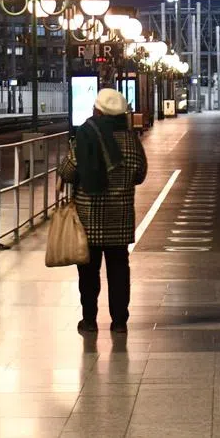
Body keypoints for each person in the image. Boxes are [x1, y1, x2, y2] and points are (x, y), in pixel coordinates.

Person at [58, 87, 147, 334]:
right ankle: (119, 322)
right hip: (120, 217)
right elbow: (140, 174)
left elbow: (67, 172)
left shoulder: (86, 137)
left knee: (88, 272)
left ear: (97, 110)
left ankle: (89, 321)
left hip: (89, 218)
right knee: (119, 270)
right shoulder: (131, 140)